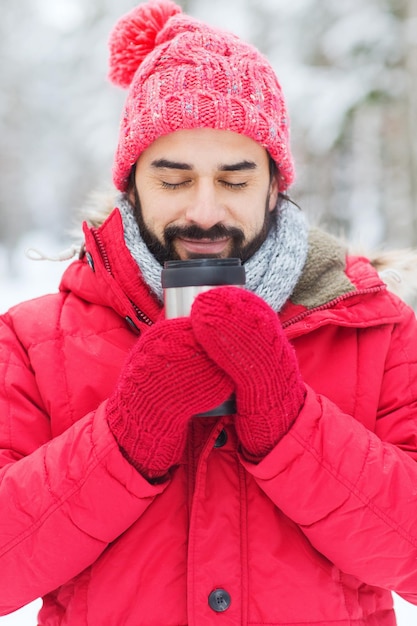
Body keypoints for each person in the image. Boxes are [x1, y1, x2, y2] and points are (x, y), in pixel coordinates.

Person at [1, 1, 417, 624]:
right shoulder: (36, 342)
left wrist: (292, 423)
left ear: (275, 184)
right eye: (173, 180)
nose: (203, 211)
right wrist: (123, 439)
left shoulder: (374, 330)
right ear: (131, 183)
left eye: (234, 179)